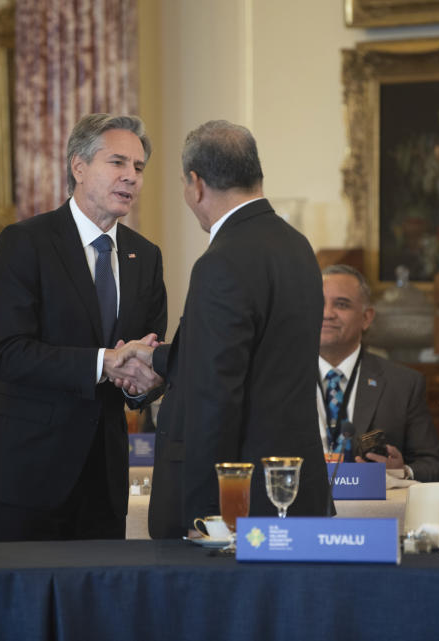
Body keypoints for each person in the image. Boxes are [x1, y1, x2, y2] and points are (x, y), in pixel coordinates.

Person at [113, 120, 331, 539]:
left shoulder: (222, 261)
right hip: (290, 489)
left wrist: (205, 514)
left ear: (196, 184)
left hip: (239, 505)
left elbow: (214, 393)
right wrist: (158, 356)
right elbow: (255, 355)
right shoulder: (296, 246)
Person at [0, 114, 167, 542]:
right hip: (28, 468)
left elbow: (147, 353)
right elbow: (9, 353)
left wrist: (143, 380)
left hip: (105, 474)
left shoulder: (145, 257)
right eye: (118, 163)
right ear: (79, 167)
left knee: (99, 605)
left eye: (138, 168)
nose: (130, 177)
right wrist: (105, 362)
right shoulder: (25, 243)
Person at [318, 264, 439, 482]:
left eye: (341, 304)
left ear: (367, 318)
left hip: (372, 509)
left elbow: (434, 465)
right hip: (300, 510)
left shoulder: (403, 384)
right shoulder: (280, 380)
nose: (327, 314)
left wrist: (402, 471)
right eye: (318, 303)